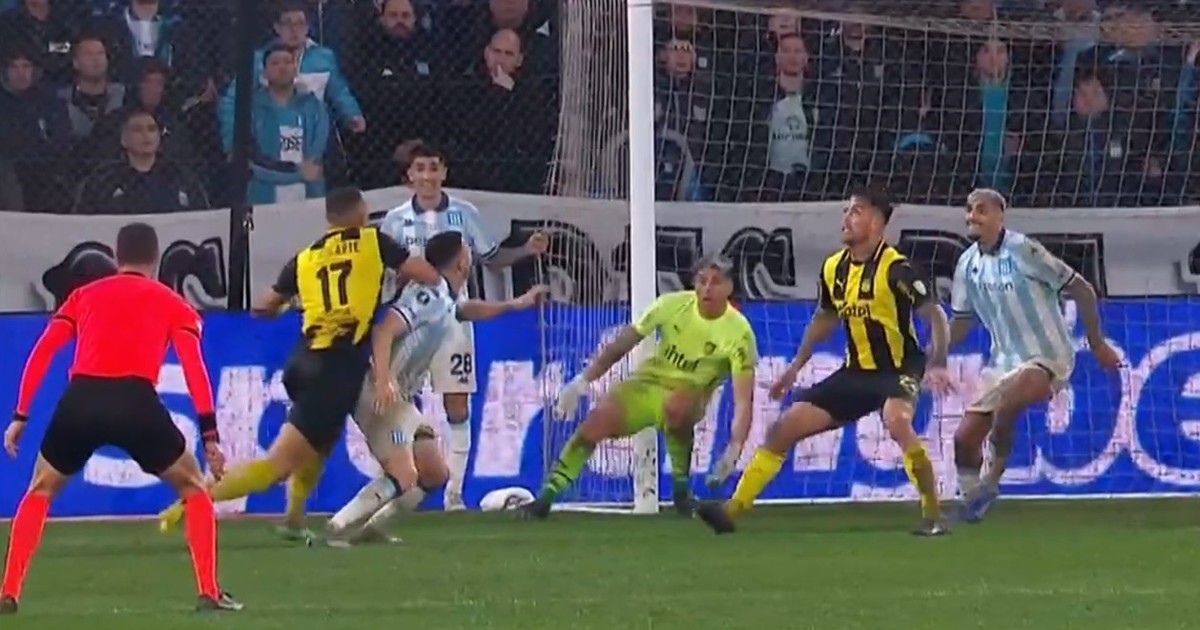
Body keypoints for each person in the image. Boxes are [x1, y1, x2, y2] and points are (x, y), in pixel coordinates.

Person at [156, 187, 439, 532]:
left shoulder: (306, 256)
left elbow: (262, 308)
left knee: (322, 441)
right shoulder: (374, 242)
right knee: (277, 467)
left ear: (329, 219)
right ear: (362, 214)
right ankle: (188, 502)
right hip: (336, 366)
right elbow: (428, 275)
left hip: (304, 361)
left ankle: (293, 521)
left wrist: (292, 304)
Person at [1, 223, 238, 614]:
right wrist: (210, 435)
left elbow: (44, 350)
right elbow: (194, 367)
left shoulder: (84, 296)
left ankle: (8, 592)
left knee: (40, 489)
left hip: (81, 400)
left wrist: (20, 415)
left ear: (116, 255)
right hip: (136, 402)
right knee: (193, 486)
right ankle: (208, 592)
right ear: (156, 259)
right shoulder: (173, 303)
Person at [696, 187, 955, 536]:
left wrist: (938, 361)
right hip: (855, 373)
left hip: (898, 370)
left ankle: (933, 514)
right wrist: (794, 368)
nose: (846, 218)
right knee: (784, 427)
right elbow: (825, 318)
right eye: (846, 210)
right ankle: (732, 511)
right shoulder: (834, 268)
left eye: (856, 211)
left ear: (877, 222)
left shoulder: (897, 269)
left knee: (897, 421)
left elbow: (935, 315)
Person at [315, 231, 548, 546]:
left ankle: (371, 529)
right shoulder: (428, 295)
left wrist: (514, 304)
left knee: (435, 474)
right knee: (405, 475)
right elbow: (384, 331)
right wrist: (383, 381)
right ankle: (337, 527)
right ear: (462, 263)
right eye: (467, 252)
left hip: (400, 398)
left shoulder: (445, 298)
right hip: (380, 392)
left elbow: (466, 310)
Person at [375, 141, 548, 512]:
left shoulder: (465, 214)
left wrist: (525, 251)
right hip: (411, 320)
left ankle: (453, 495)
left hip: (455, 319)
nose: (427, 176)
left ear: (444, 173)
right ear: (409, 176)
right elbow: (386, 269)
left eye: (434, 168)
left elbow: (491, 257)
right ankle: (399, 485)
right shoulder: (394, 220)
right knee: (399, 402)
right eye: (420, 169)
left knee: (457, 402)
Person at [522, 253, 758, 520]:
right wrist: (582, 381)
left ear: (729, 287)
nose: (706, 289)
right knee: (595, 423)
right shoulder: (672, 305)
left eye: (716, 282)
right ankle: (546, 498)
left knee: (677, 407)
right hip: (647, 385)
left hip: (690, 395)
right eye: (702, 281)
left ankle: (681, 490)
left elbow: (743, 400)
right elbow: (623, 343)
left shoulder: (740, 334)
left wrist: (735, 447)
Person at [950, 188, 1121, 522]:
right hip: (1002, 362)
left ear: (1000, 215)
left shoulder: (1024, 250)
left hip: (1048, 356)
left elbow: (1082, 289)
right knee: (963, 438)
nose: (972, 216)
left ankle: (991, 481)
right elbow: (962, 320)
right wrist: (932, 354)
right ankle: (972, 498)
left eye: (982, 210)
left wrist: (1097, 343)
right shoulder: (967, 263)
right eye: (969, 210)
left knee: (1009, 404)